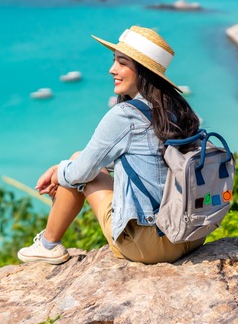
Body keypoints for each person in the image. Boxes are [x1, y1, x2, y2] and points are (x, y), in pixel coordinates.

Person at [17, 25, 205, 265]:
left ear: (143, 71)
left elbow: (81, 172)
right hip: (192, 234)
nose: (112, 69)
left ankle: (48, 244)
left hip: (150, 245)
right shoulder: (177, 109)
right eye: (114, 61)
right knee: (79, 163)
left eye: (122, 63)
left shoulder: (125, 115)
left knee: (76, 162)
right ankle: (48, 242)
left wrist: (58, 171)